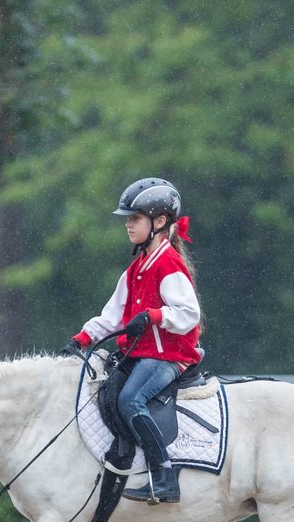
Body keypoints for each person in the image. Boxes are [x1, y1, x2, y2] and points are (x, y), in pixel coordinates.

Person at [61, 177, 201, 504]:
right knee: (107, 394)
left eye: (134, 218)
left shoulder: (168, 264)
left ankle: (164, 476)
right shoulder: (136, 268)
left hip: (167, 356)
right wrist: (81, 339)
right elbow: (112, 317)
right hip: (141, 355)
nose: (128, 225)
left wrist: (154, 316)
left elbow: (188, 314)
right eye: (127, 219)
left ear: (160, 222)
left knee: (130, 400)